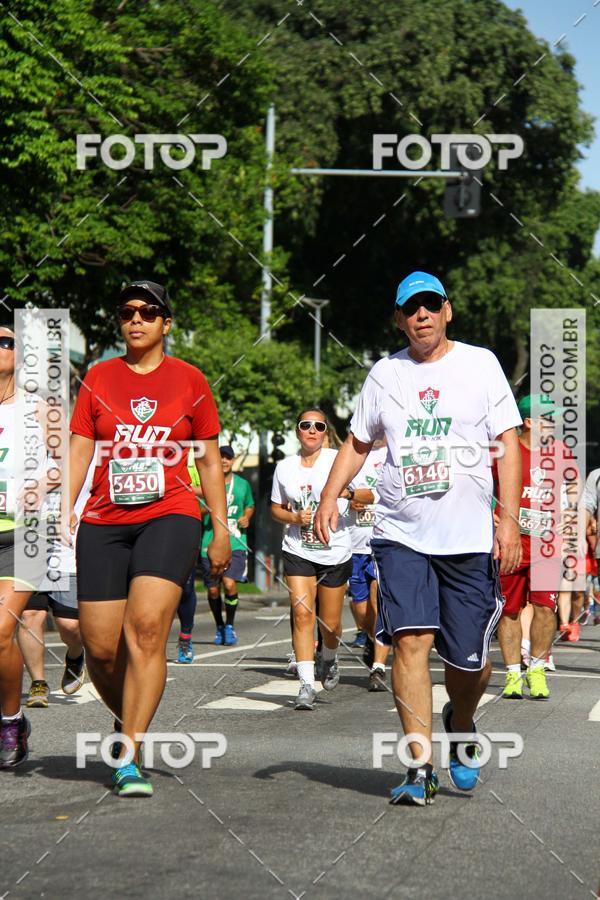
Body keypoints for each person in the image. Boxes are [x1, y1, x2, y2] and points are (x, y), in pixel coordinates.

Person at [315, 271, 522, 805]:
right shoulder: (385, 373)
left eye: (431, 306)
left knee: (469, 664)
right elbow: (359, 443)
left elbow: (508, 442)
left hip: (469, 538)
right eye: (412, 309)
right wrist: (329, 497)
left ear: (447, 311)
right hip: (401, 533)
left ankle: (462, 718)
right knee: (409, 641)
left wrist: (507, 520)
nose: (422, 316)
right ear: (399, 318)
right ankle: (418, 767)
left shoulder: (481, 364)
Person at [69, 279, 230, 797]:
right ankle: (129, 718)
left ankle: (129, 752)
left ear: (166, 322)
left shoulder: (190, 381)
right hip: (103, 520)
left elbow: (207, 461)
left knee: (144, 631)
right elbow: (78, 452)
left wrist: (221, 531)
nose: (135, 319)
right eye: (127, 311)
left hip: (171, 514)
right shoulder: (98, 377)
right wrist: (62, 513)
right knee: (100, 648)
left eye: (148, 311)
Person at [271, 409, 352, 710]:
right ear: (298, 431)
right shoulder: (285, 468)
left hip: (335, 549)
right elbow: (275, 508)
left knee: (330, 625)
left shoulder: (338, 459)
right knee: (302, 612)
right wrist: (293, 516)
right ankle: (306, 684)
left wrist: (349, 496)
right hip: (297, 549)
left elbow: (363, 495)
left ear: (325, 431)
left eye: (319, 426)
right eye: (306, 425)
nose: (313, 430)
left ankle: (328, 657)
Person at [494, 395, 574, 701]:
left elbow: (572, 492)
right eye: (547, 418)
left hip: (547, 547)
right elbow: (484, 490)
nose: (553, 423)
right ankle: (513, 673)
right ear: (528, 421)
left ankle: (537, 670)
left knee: (545, 608)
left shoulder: (560, 453)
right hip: (512, 545)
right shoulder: (504, 450)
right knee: (510, 610)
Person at [0, 325, 54, 767]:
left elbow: (71, 459)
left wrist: (42, 483)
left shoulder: (38, 409)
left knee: (2, 630)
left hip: (24, 534)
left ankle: (10, 721)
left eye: (6, 342)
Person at [345, 440, 390, 691]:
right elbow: (337, 491)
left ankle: (378, 668)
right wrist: (349, 501)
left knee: (378, 599)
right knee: (361, 610)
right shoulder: (352, 455)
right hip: (355, 543)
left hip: (384, 541)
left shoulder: (395, 450)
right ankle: (373, 639)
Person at [199, 445, 254, 646]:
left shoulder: (242, 484)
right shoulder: (206, 485)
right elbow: (197, 511)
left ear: (232, 461)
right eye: (220, 457)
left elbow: (249, 505)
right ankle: (219, 626)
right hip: (209, 542)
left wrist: (247, 517)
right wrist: (210, 508)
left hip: (236, 542)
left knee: (229, 583)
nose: (224, 461)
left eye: (227, 458)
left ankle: (230, 625)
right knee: (213, 590)